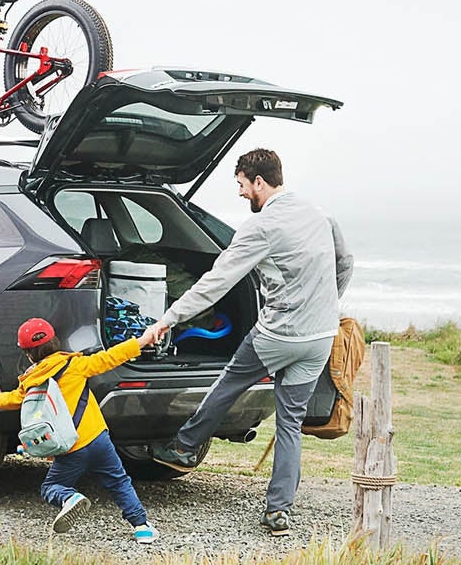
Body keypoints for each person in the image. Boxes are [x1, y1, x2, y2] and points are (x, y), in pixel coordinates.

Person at [145, 148, 353, 537]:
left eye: (242, 185)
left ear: (259, 181)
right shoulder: (319, 214)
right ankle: (279, 512)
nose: (241, 193)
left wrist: (168, 319)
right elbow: (345, 263)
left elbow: (216, 282)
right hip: (320, 337)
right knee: (289, 423)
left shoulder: (261, 227)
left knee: (229, 383)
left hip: (278, 335)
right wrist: (325, 306)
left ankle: (184, 447)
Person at [0, 317, 164, 544]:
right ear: (55, 341)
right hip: (98, 438)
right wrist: (142, 341)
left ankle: (69, 497)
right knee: (118, 482)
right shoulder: (76, 365)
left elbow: (15, 399)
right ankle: (142, 528)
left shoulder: (31, 380)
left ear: (28, 354)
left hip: (70, 446)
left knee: (51, 487)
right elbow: (111, 357)